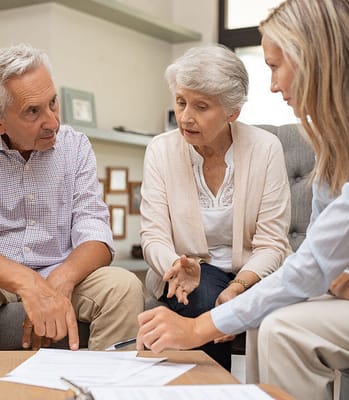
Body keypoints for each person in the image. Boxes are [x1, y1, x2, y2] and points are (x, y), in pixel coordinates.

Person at [137, 1, 349, 398]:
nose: (272, 85)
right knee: (272, 319)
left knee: (283, 329)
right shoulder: (339, 138)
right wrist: (343, 279)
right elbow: (324, 248)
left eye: (274, 66)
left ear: (314, 61)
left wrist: (200, 327)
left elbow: (312, 259)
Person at [0, 44, 144, 351]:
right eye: (33, 111)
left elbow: (96, 235)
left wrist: (62, 280)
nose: (53, 122)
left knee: (123, 287)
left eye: (53, 103)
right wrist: (29, 285)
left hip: (58, 268)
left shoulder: (75, 146)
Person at [139, 44, 292, 370]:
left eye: (201, 106)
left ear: (232, 112)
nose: (185, 117)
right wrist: (176, 267)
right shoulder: (161, 150)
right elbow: (153, 235)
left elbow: (272, 243)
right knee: (202, 295)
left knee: (216, 299)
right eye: (181, 102)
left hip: (253, 274)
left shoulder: (265, 149)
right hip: (185, 274)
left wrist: (238, 287)